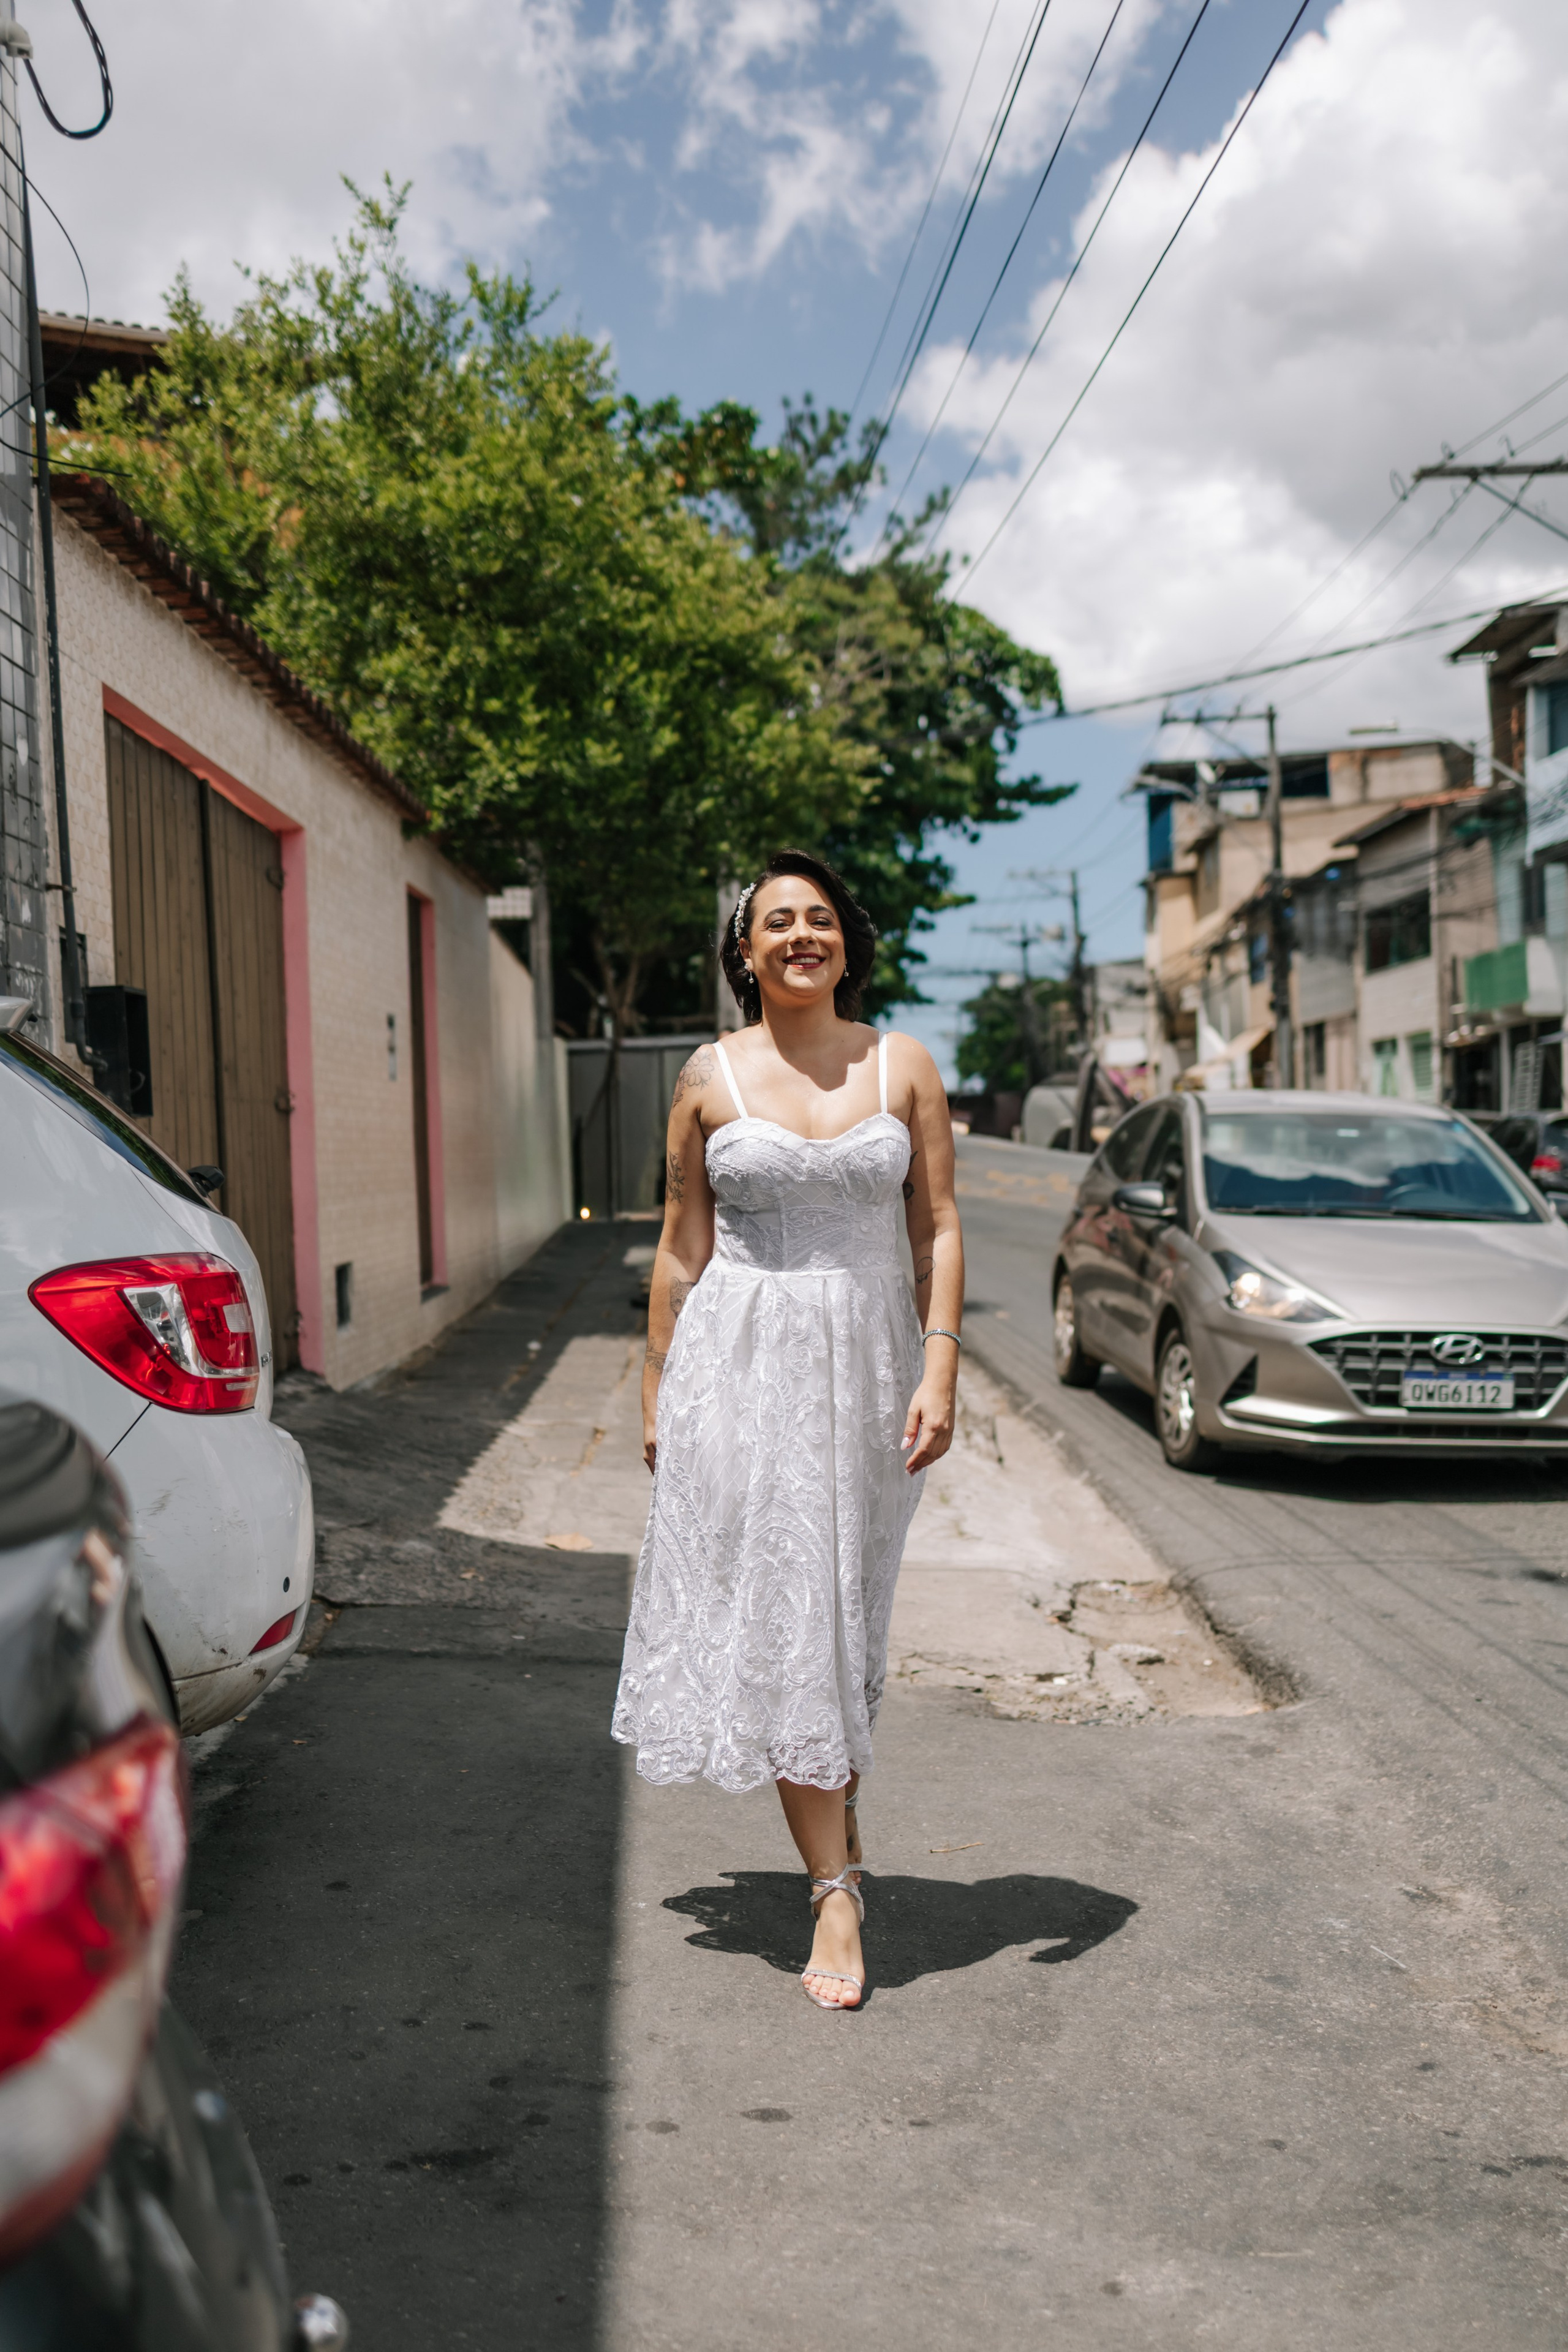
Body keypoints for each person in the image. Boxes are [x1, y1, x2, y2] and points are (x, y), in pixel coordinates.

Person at [611, 850, 965, 2009]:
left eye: (820, 920)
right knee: (791, 1621)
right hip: (740, 1375)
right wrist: (656, 1389)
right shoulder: (708, 1076)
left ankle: (836, 1849)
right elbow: (679, 1247)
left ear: (847, 944)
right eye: (778, 922)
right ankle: (837, 1891)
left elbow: (941, 1229)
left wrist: (943, 1365)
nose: (801, 936)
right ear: (746, 950)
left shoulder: (901, 1063)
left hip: (867, 1380)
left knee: (840, 1625)